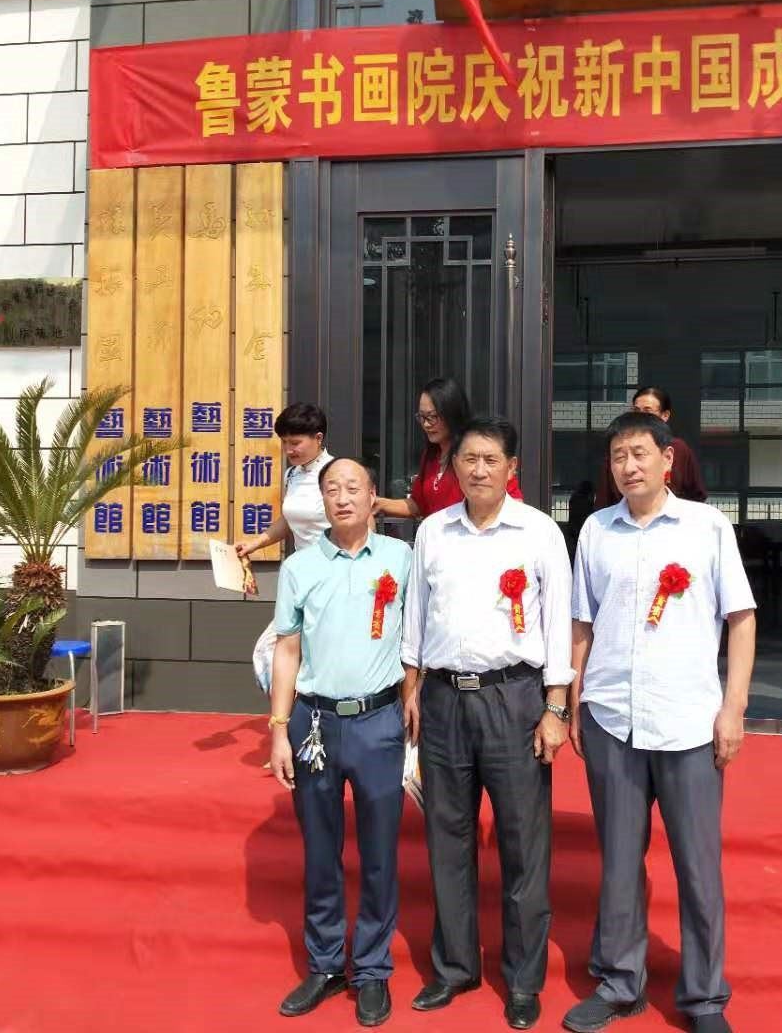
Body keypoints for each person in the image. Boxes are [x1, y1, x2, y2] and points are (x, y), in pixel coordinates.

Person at [563, 411, 756, 1033]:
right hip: (612, 717)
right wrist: (573, 698)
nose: (629, 466)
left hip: (688, 721)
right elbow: (582, 623)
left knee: (697, 866)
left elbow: (741, 619)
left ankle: (705, 998)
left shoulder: (706, 527)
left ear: (667, 459)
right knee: (619, 861)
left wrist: (733, 708)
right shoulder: (596, 530)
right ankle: (620, 982)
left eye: (640, 453)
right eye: (618, 455)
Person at [400, 416, 573, 1031]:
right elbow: (416, 615)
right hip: (444, 698)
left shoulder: (539, 531)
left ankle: (523, 979)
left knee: (523, 843)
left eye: (490, 460)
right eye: (468, 459)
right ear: (455, 466)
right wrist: (412, 686)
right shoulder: (433, 531)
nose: (478, 470)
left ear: (511, 468)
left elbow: (558, 621)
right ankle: (455, 967)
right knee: (447, 836)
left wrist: (556, 707)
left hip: (515, 698)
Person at [268, 458, 414, 1027]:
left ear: (373, 496)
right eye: (332, 489)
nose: (343, 497)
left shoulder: (401, 559)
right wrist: (278, 729)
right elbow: (287, 649)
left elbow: (417, 641)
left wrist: (414, 700)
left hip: (379, 722)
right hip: (315, 724)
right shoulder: (300, 567)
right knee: (320, 850)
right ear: (322, 502)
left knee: (379, 853)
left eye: (354, 488)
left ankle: (372, 968)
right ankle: (326, 964)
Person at [236, 403, 333, 694]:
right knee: (272, 653)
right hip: (300, 577)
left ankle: (300, 715)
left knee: (307, 654)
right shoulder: (293, 475)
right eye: (285, 442)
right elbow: (289, 521)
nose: (289, 449)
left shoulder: (336, 474)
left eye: (295, 442)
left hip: (331, 576)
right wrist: (254, 544)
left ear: (318, 438)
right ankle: (291, 715)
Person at [373, 377, 521, 520]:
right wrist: (379, 503)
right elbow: (418, 505)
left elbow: (514, 504)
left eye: (432, 417)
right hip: (437, 533)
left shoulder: (474, 456)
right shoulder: (431, 456)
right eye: (422, 417)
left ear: (451, 414)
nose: (426, 424)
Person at [595, 387, 706, 509]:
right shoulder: (619, 448)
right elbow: (605, 498)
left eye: (648, 411)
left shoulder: (680, 448)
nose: (640, 417)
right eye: (636, 411)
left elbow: (695, 493)